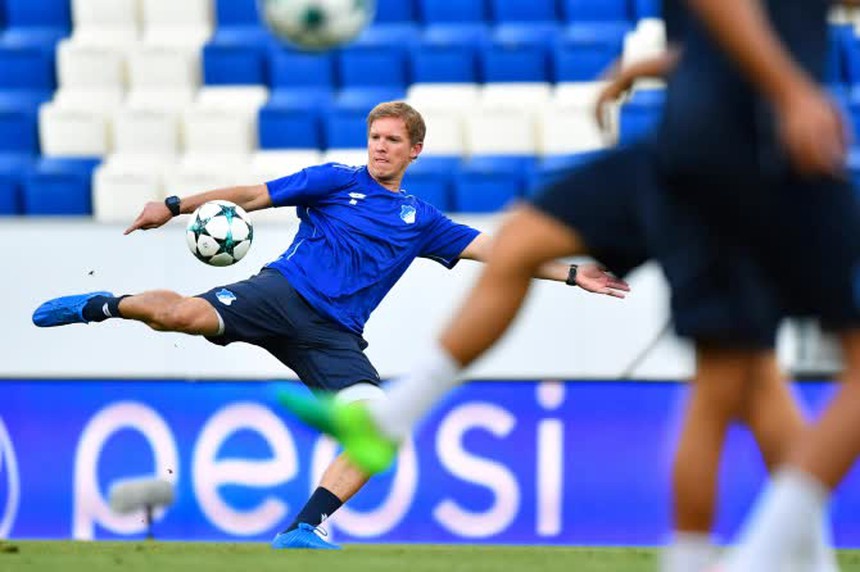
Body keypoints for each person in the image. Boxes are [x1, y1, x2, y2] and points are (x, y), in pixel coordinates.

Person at [276, 1, 859, 569]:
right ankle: (392, 417)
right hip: (689, 147)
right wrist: (662, 65)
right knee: (525, 242)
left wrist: (790, 91)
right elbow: (736, 31)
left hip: (751, 156)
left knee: (738, 373)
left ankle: (756, 555)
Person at [31, 101, 629, 550]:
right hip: (280, 293)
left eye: (393, 140)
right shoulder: (335, 181)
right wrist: (172, 204)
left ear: (415, 150)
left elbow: (500, 252)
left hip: (333, 335)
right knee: (185, 317)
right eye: (375, 137)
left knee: (379, 427)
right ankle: (104, 305)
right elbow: (249, 194)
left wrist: (574, 274)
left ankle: (304, 525)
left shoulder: (421, 219)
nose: (380, 147)